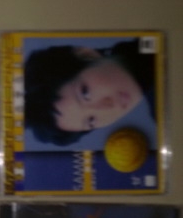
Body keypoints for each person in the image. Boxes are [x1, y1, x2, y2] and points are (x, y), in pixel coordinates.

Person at [24, 39, 156, 146]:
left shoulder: (154, 40)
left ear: (86, 55)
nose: (106, 107)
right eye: (91, 121)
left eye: (86, 94)